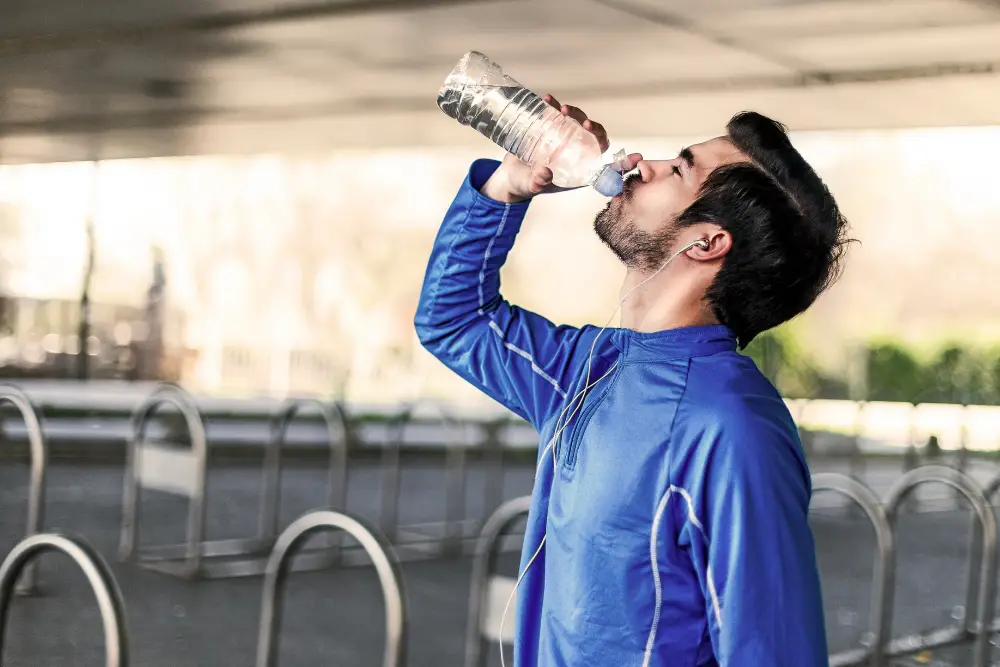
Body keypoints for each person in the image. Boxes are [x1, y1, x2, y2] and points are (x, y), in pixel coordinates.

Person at [415, 94, 850, 666]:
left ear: (707, 242)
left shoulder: (733, 427)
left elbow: (772, 653)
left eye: (679, 169)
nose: (642, 163)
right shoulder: (589, 368)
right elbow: (454, 319)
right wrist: (506, 188)